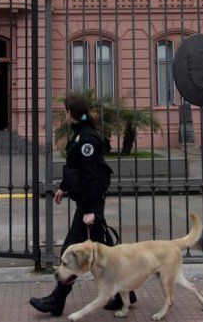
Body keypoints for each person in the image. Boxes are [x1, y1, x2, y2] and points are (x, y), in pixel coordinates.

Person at [29, 93, 136, 316]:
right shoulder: (81, 136)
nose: (64, 116)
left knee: (71, 250)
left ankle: (56, 301)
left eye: (65, 112)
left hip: (90, 204)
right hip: (89, 203)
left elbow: (92, 177)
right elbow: (77, 170)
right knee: (105, 251)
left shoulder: (87, 139)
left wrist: (88, 211)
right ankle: (126, 292)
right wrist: (64, 187)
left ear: (70, 113)